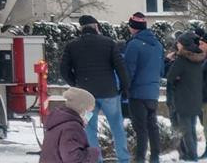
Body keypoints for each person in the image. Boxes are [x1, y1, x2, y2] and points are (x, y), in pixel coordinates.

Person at [60, 14, 131, 163]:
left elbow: (63, 70)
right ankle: (123, 159)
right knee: (116, 126)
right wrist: (125, 87)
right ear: (96, 27)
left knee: (89, 129)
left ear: (81, 29)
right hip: (109, 94)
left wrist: (76, 84)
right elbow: (120, 67)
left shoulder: (72, 45)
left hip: (85, 98)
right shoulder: (109, 43)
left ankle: (95, 159)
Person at [122, 12, 165, 163]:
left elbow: (129, 71)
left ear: (134, 28)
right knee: (152, 127)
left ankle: (140, 159)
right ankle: (155, 158)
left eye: (130, 26)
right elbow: (161, 70)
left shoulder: (133, 45)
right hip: (153, 93)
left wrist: (124, 89)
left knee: (141, 129)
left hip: (137, 93)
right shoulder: (158, 45)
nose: (129, 29)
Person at [167, 32, 205, 161]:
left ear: (183, 45)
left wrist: (171, 63)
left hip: (182, 99)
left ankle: (192, 157)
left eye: (178, 42)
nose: (177, 44)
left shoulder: (181, 60)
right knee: (192, 130)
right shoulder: (199, 58)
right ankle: (193, 155)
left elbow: (170, 77)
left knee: (186, 131)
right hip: (195, 99)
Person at [40, 87, 101, 163]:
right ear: (81, 108)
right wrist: (92, 153)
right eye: (89, 111)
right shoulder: (71, 127)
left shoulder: (60, 121)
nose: (89, 115)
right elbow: (73, 159)